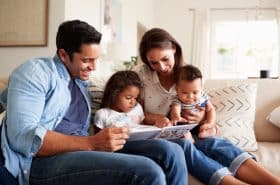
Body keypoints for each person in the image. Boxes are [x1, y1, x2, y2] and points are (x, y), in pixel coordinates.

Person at [0, 20, 189, 185]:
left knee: (171, 151)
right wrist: (91, 143)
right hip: (42, 162)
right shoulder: (35, 72)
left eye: (96, 59)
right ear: (64, 55)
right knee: (148, 171)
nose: (94, 67)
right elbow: (24, 138)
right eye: (87, 60)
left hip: (84, 149)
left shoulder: (81, 81)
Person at [134, 27, 280, 185]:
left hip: (190, 129)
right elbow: (134, 112)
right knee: (183, 145)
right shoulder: (140, 75)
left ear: (174, 49)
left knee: (215, 143)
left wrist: (203, 118)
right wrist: (156, 118)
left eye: (165, 59)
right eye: (153, 63)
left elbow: (204, 105)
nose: (161, 67)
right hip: (159, 134)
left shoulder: (189, 74)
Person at [170, 64, 218, 139]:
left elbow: (210, 109)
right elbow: (175, 109)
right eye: (185, 93)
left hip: (199, 124)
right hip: (184, 124)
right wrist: (176, 116)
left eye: (195, 92)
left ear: (201, 88)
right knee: (177, 127)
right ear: (177, 89)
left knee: (206, 126)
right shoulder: (177, 99)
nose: (190, 97)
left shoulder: (202, 97)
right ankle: (188, 136)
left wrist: (210, 123)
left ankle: (207, 132)